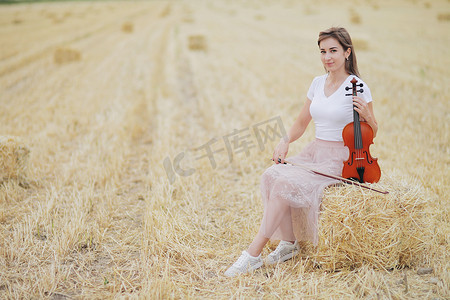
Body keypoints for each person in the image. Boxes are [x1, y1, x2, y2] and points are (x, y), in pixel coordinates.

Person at [224, 27, 378, 277]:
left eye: (333, 51)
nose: (327, 57)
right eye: (323, 52)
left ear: (347, 52)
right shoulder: (317, 83)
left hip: (340, 159)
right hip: (315, 151)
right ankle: (288, 244)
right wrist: (285, 141)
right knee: (273, 174)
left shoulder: (358, 86)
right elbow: (301, 123)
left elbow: (372, 131)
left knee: (285, 182)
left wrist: (369, 115)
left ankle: (252, 254)